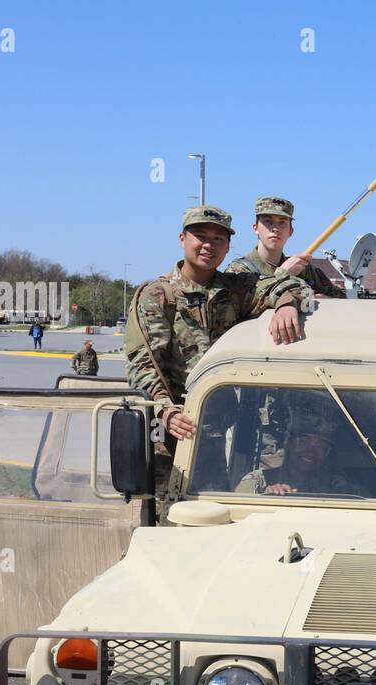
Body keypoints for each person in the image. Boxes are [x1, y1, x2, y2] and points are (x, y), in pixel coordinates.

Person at [125, 205, 310, 496]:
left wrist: (286, 303)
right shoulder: (157, 295)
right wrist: (165, 410)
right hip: (166, 431)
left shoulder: (234, 289)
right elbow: (143, 365)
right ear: (182, 238)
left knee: (212, 510)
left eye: (219, 239)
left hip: (215, 431)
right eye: (200, 236)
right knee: (167, 513)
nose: (209, 245)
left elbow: (292, 285)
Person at [224, 197, 346, 298]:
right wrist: (283, 274)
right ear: (255, 228)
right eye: (268, 221)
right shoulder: (239, 271)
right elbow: (242, 307)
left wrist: (328, 301)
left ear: (290, 231)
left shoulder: (303, 269)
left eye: (282, 222)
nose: (275, 228)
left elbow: (342, 298)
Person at [234, 403, 357, 496]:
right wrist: (265, 499)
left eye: (321, 447)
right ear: (288, 442)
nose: (311, 452)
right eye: (303, 442)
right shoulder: (257, 483)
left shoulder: (336, 488)